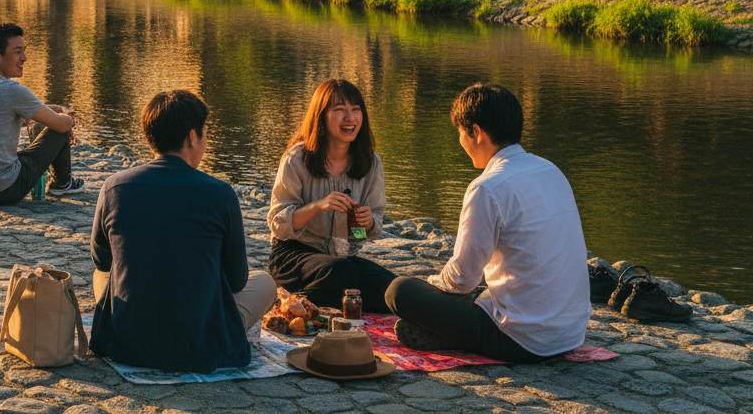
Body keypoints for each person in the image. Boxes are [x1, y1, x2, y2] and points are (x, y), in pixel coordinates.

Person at [385, 83, 590, 363]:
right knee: (475, 294)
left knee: (400, 290)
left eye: (460, 132)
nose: (460, 141)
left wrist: (431, 285)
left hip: (523, 340)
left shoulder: (487, 187)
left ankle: (450, 334)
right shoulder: (550, 169)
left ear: (477, 132)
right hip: (571, 333)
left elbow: (461, 280)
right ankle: (451, 330)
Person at [90, 90, 275, 373]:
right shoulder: (221, 194)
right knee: (264, 282)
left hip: (128, 343)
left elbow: (102, 261)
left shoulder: (114, 187)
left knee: (104, 274)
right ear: (192, 136)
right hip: (200, 345)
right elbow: (237, 281)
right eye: (205, 135)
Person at [267, 79, 395, 311]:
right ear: (321, 117)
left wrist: (366, 224)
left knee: (395, 290)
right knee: (343, 274)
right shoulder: (297, 158)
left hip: (340, 258)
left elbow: (360, 236)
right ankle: (285, 306)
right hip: (292, 256)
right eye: (339, 110)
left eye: (356, 109)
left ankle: (315, 304)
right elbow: (278, 224)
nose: (350, 117)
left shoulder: (371, 163)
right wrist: (318, 206)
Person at [0, 23, 83, 204]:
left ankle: (60, 183)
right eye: (18, 52)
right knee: (58, 131)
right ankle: (62, 184)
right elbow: (61, 125)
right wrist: (67, 117)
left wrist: (46, 114)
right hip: (2, 190)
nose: (25, 58)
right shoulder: (11, 90)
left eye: (24, 51)